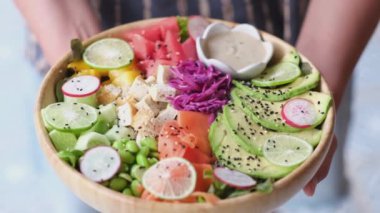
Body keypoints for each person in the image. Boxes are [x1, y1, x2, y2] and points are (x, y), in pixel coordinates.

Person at [14, 0, 380, 200]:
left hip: (303, 39)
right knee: (81, 194)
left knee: (312, 194)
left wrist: (310, 80)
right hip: (76, 19)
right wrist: (89, 61)